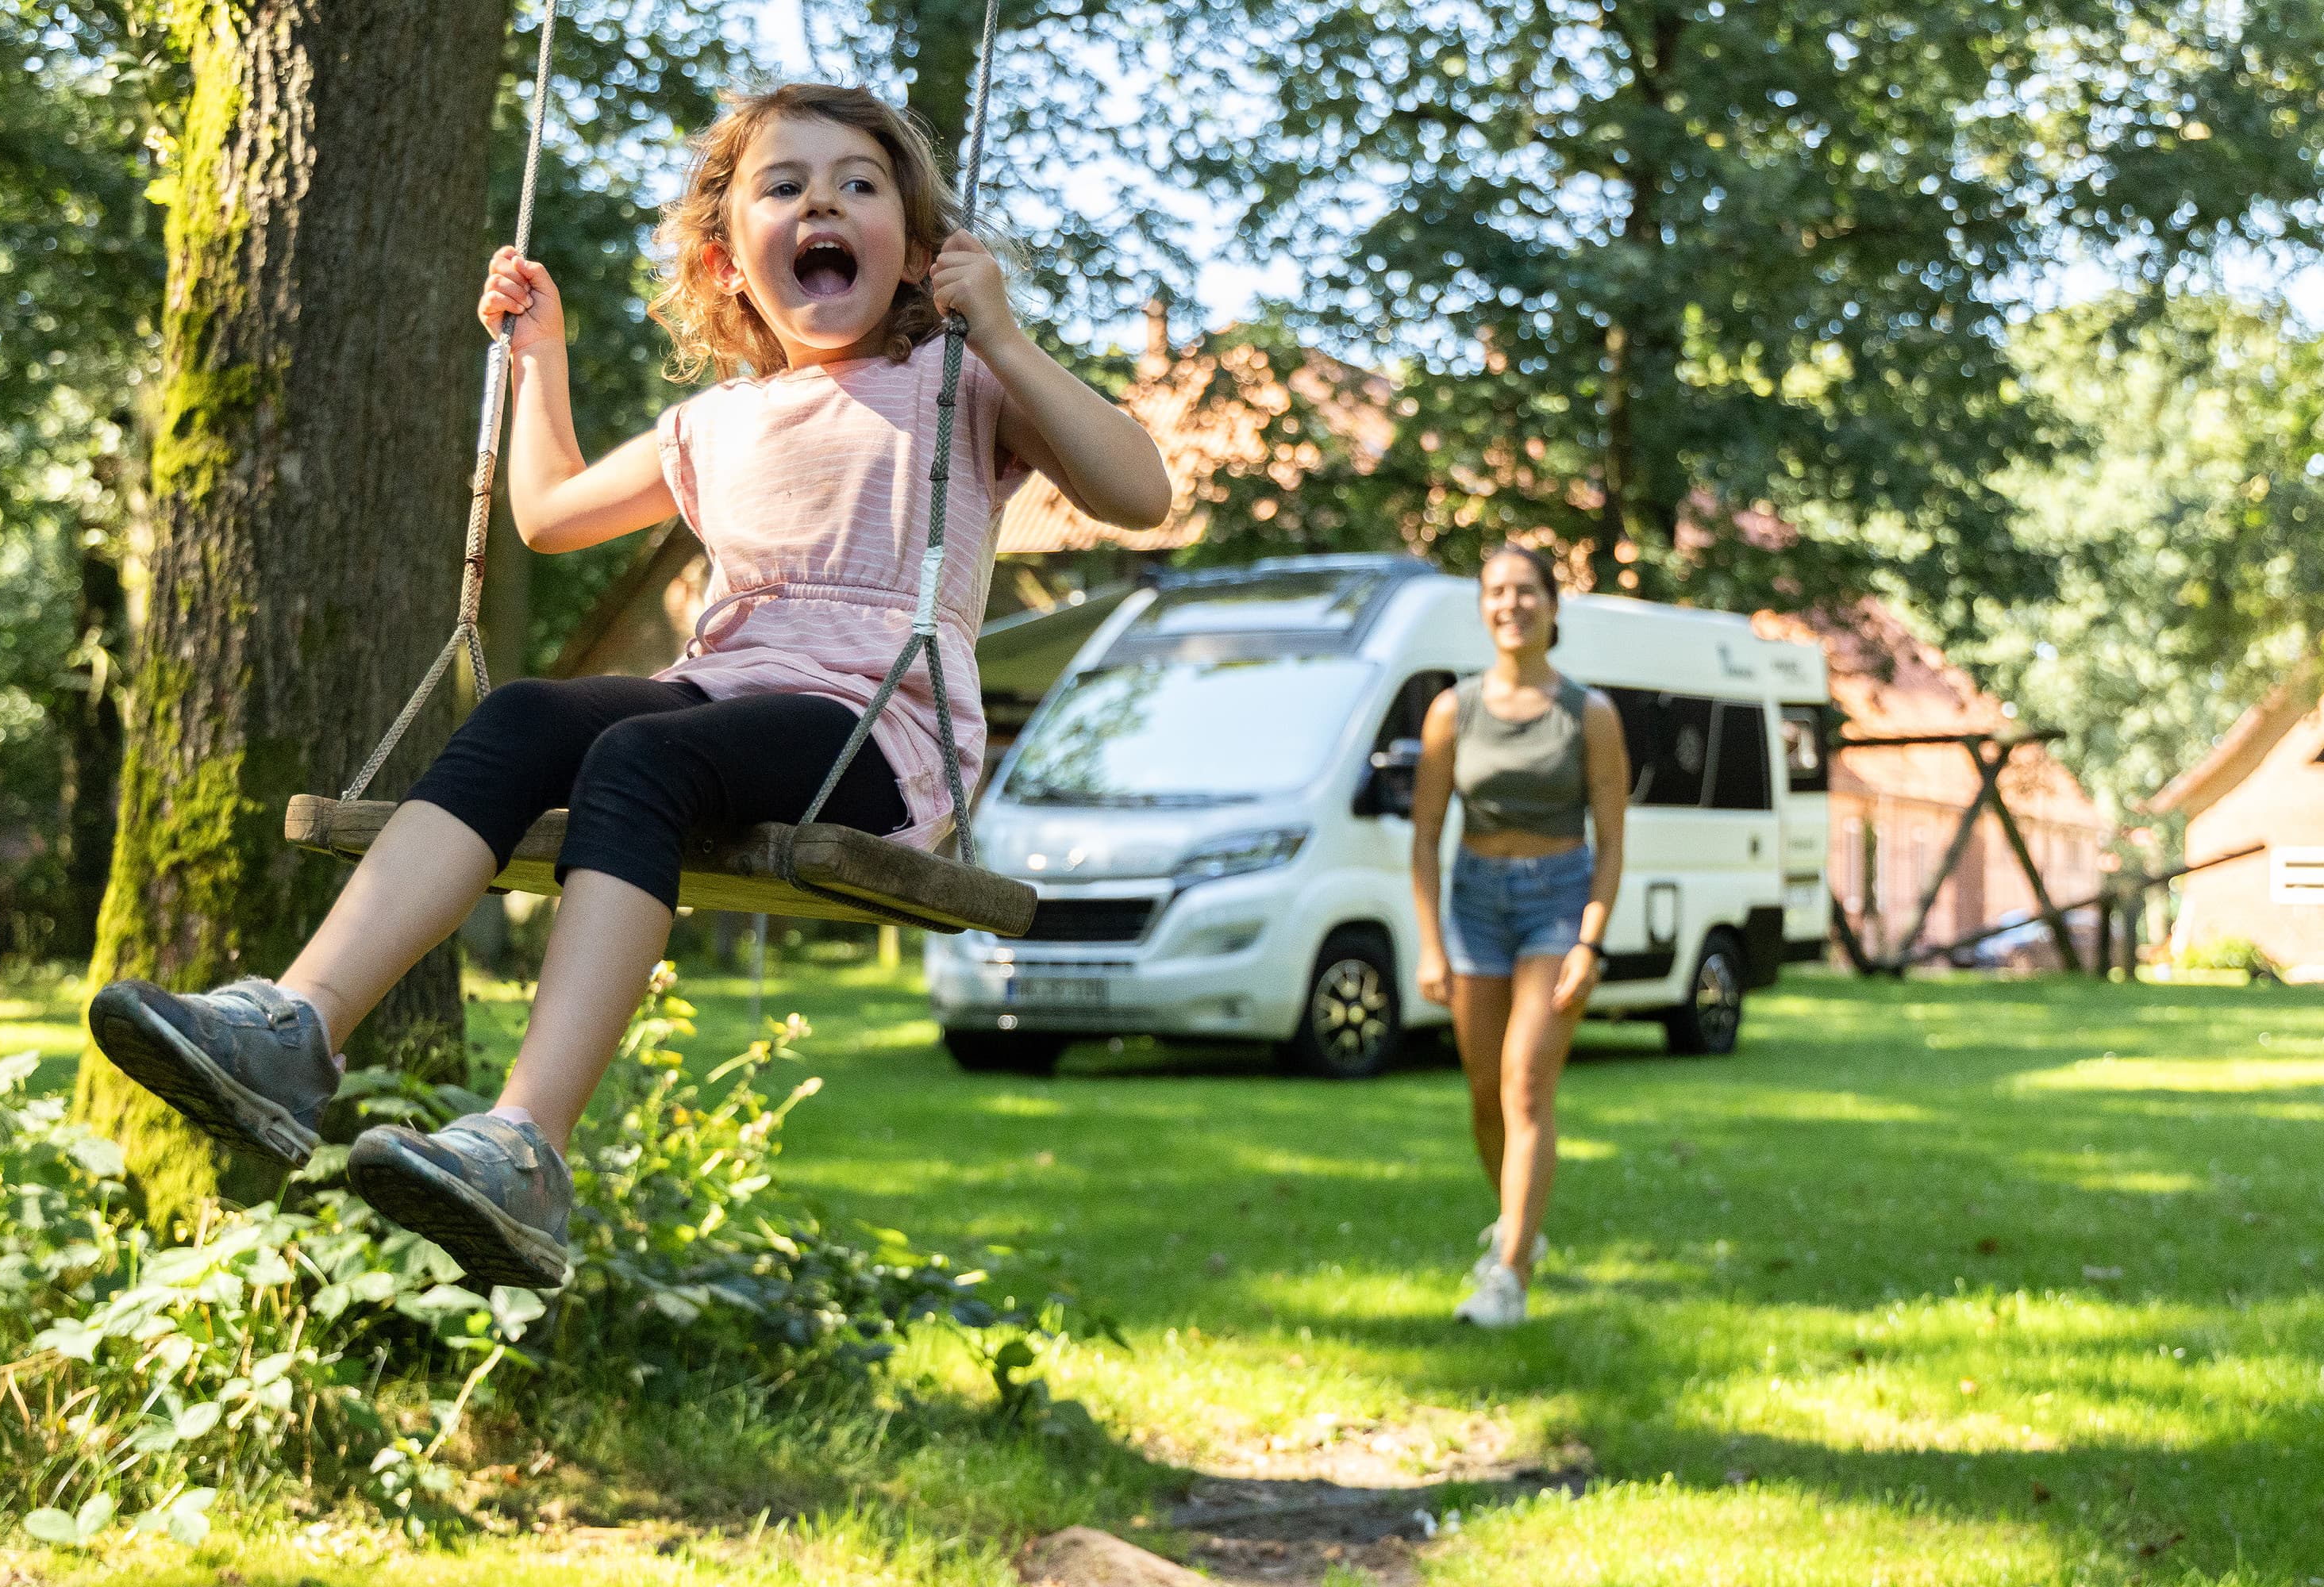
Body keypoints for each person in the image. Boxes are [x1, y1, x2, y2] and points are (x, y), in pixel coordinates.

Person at [87, 83, 1172, 1289]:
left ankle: (527, 1146)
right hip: (723, 699)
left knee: (641, 758)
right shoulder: (715, 424)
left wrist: (1010, 337)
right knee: (527, 714)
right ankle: (295, 1028)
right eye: (785, 185)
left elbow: (1140, 493)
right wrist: (538, 358)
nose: (822, 200)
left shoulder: (958, 382)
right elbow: (547, 515)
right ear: (727, 264)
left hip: (877, 734)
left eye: (858, 185)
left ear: (919, 254)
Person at [1409, 544, 1629, 1328]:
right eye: (1498, 591)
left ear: (1553, 606)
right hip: (1474, 904)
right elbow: (1426, 834)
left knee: (1525, 1081)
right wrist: (1431, 942)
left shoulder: (1589, 714)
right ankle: (1520, 1227)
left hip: (1557, 903)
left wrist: (1590, 941)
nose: (1512, 603)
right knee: (1483, 1098)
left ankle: (1506, 1277)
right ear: (1482, 608)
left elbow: (1611, 841)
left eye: (1528, 590)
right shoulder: (1452, 711)